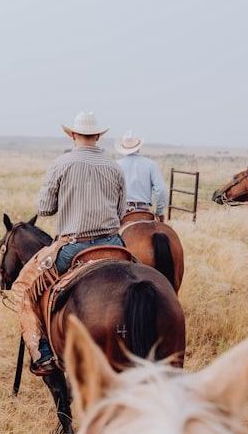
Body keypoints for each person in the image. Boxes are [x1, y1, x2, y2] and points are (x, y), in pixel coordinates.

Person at [11, 111, 126, 375]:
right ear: (98, 136)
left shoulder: (61, 164)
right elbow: (121, 212)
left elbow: (44, 208)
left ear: (73, 135)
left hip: (74, 246)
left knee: (24, 289)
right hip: (114, 243)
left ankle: (42, 353)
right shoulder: (114, 167)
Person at [115, 130, 168, 220]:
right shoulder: (151, 164)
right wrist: (159, 212)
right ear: (139, 146)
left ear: (123, 148)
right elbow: (161, 190)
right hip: (145, 211)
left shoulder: (116, 165)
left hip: (123, 211)